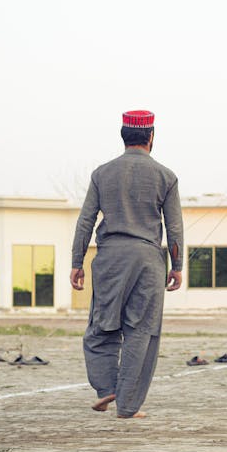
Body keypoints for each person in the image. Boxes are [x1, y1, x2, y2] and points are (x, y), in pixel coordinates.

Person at [70, 110, 184, 418]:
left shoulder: (102, 174)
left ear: (124, 136)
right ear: (150, 137)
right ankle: (128, 405)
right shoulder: (166, 176)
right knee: (141, 330)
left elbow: (85, 222)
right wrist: (177, 265)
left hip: (109, 257)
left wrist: (77, 261)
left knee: (100, 326)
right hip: (148, 261)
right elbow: (174, 227)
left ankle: (106, 386)